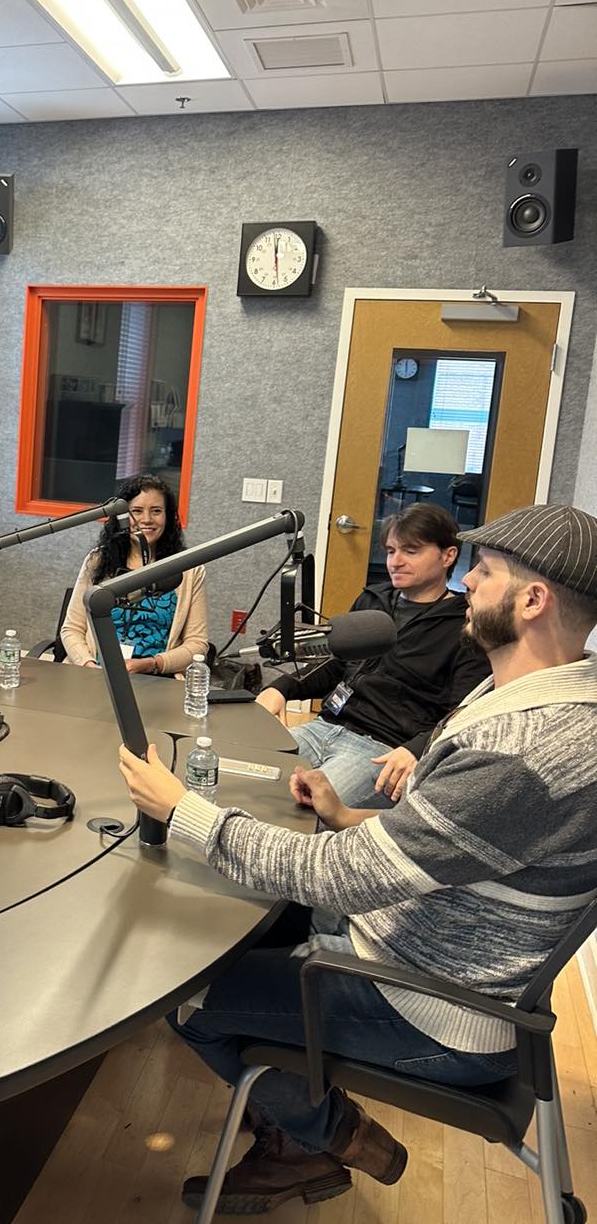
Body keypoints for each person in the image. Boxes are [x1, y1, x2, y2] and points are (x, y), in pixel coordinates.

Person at [116, 503, 597, 1216]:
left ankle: (318, 1136)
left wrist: (182, 811)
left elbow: (336, 875)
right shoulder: (538, 701)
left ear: (533, 600)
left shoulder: (522, 749)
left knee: (178, 995)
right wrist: (348, 816)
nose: (468, 586)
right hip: (423, 949)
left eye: (485, 574)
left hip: (433, 1008)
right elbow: (452, 844)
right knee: (251, 919)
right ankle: (303, 1126)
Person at [255, 503, 489, 807]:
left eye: (411, 551)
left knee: (304, 809)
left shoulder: (466, 625)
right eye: (391, 551)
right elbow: (334, 664)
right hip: (323, 727)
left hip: (381, 750)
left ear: (448, 555)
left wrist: (417, 749)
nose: (396, 561)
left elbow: (463, 713)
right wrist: (280, 688)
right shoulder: (372, 600)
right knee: (248, 776)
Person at [60, 473, 207, 675]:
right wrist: (88, 666)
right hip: (93, 674)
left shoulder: (189, 568)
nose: (146, 519)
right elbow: (71, 629)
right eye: (136, 511)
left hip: (157, 678)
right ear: (121, 516)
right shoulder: (97, 561)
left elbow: (198, 644)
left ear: (168, 516)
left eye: (156, 511)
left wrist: (152, 663)